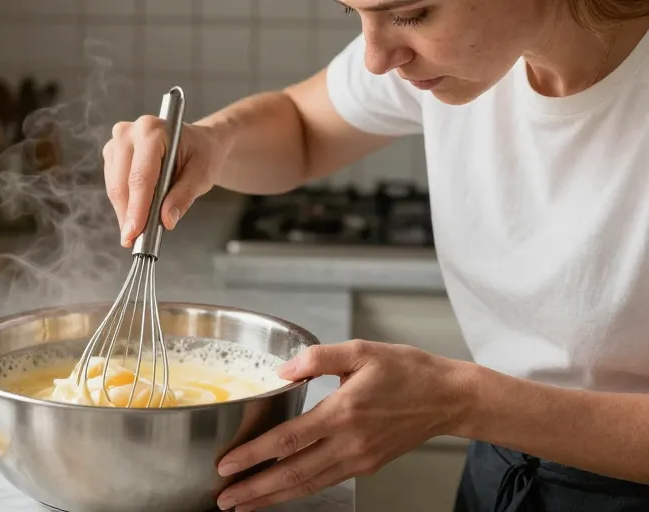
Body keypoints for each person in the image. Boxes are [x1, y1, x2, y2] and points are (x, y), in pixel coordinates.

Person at [101, 0, 649, 511]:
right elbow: (302, 127)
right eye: (354, 11)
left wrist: (462, 401)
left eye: (411, 14)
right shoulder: (462, 56)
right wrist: (213, 142)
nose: (377, 58)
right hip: (504, 469)